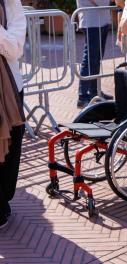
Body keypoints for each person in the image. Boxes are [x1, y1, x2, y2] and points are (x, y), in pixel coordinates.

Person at [0, 0, 26, 229]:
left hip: (9, 88)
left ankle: (2, 200)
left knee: (10, 148)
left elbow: (15, 49)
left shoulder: (12, 5)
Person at [76, 0, 114, 108]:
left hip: (100, 21)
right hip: (92, 22)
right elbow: (101, 2)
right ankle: (82, 96)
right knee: (89, 59)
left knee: (96, 58)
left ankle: (94, 92)